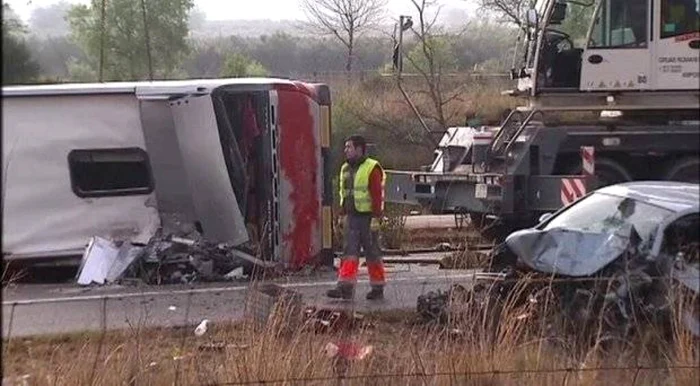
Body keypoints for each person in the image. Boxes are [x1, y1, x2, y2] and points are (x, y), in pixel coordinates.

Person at [326, 135, 387, 300]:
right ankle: (345, 287)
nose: (346, 150)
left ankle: (377, 287)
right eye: (345, 147)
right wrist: (342, 214)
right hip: (352, 217)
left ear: (359, 149)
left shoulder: (371, 167)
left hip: (368, 218)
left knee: (372, 254)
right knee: (349, 253)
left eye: (349, 147)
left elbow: (376, 195)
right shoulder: (345, 168)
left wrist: (376, 217)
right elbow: (344, 194)